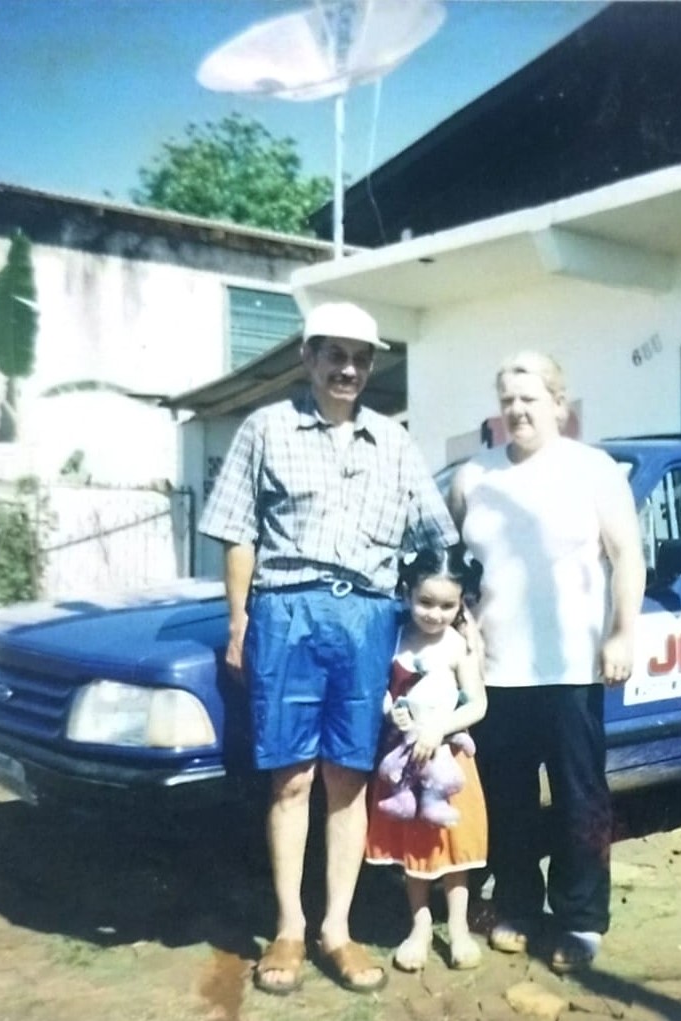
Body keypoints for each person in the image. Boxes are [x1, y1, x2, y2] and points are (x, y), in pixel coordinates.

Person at [198, 300, 456, 997]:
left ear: (371, 367)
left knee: (348, 778)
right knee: (290, 778)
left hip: (368, 615)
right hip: (286, 611)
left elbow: (438, 535)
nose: (347, 368)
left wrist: (458, 612)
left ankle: (335, 930)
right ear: (308, 358)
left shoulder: (394, 443)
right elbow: (235, 529)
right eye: (334, 354)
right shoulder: (267, 427)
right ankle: (287, 924)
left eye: (360, 357)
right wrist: (238, 622)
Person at [448, 351, 646, 974]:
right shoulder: (472, 477)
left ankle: (582, 920)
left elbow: (628, 558)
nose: (518, 410)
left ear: (559, 404)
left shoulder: (594, 470)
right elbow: (451, 569)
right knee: (505, 798)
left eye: (530, 399)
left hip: (571, 668)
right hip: (496, 672)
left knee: (578, 799)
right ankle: (516, 904)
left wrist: (622, 634)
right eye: (508, 400)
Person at [364, 544, 489, 972]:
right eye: (425, 602)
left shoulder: (458, 646)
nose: (434, 613)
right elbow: (383, 689)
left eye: (446, 605)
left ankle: (456, 927)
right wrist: (390, 710)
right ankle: (418, 925)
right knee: (416, 846)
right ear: (407, 594)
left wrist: (441, 727)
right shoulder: (395, 638)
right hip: (406, 761)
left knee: (452, 845)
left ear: (460, 605)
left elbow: (477, 704)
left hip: (449, 761)